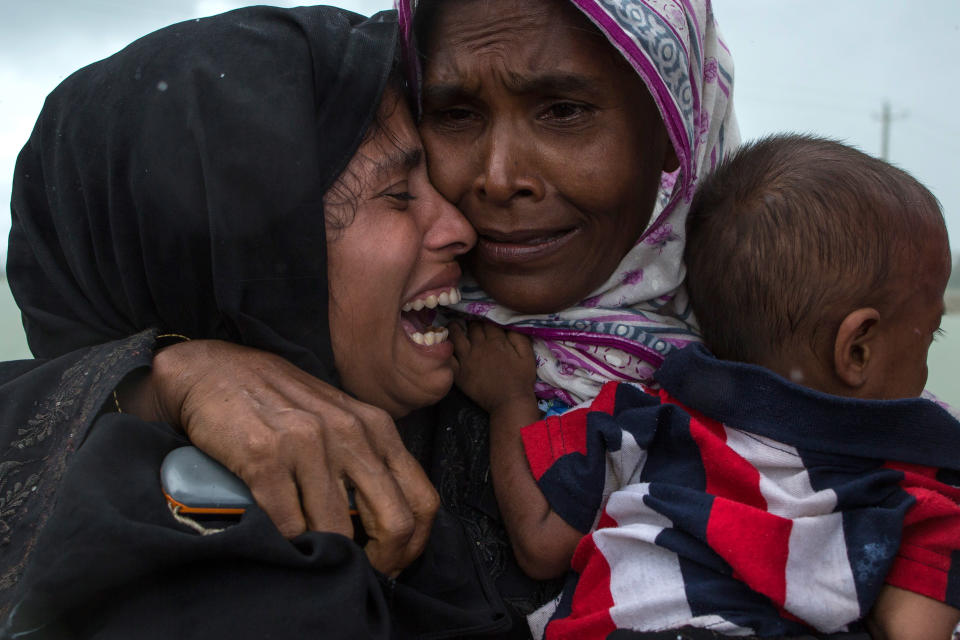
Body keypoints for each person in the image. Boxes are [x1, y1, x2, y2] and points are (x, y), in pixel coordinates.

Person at [0, 6, 483, 636]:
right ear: (247, 245)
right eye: (397, 195)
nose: (463, 230)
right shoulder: (150, 567)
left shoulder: (519, 382)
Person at [452, 135, 960, 639]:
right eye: (930, 333)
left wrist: (508, 400)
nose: (926, 361)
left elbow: (541, 544)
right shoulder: (914, 485)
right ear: (857, 350)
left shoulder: (643, 419)